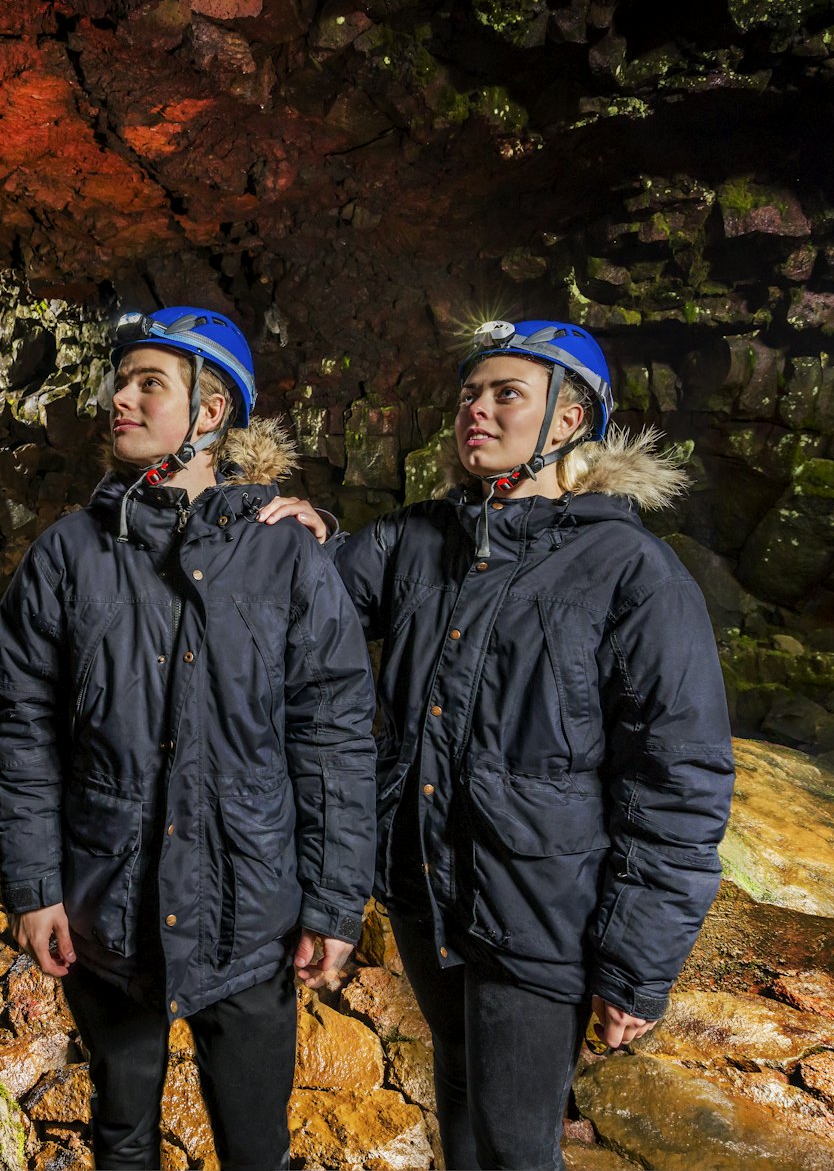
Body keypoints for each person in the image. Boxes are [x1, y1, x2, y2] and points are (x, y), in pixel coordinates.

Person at [263, 318, 735, 1171]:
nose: (475, 411)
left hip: (538, 909)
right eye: (468, 396)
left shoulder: (631, 572)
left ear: (565, 420)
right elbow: (299, 606)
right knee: (460, 1096)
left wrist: (636, 962)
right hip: (424, 884)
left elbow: (678, 781)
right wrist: (307, 526)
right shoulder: (421, 538)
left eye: (505, 394)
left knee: (519, 1143)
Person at [0, 307, 377, 1171]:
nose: (120, 398)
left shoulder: (288, 559)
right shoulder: (67, 556)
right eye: (120, 381)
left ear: (208, 414)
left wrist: (334, 903)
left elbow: (335, 739)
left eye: (148, 384)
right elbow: (26, 733)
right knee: (121, 1135)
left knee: (254, 1147)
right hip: (108, 915)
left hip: (251, 916)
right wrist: (35, 886)